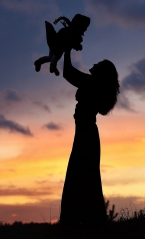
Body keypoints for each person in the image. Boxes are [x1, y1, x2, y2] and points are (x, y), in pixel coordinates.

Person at [59, 49, 120, 228]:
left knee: (79, 175)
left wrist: (67, 50)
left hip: (86, 133)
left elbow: (68, 72)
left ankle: (77, 222)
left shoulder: (92, 83)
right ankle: (87, 221)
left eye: (97, 64)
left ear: (101, 72)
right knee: (85, 177)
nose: (93, 65)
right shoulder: (94, 83)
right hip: (87, 133)